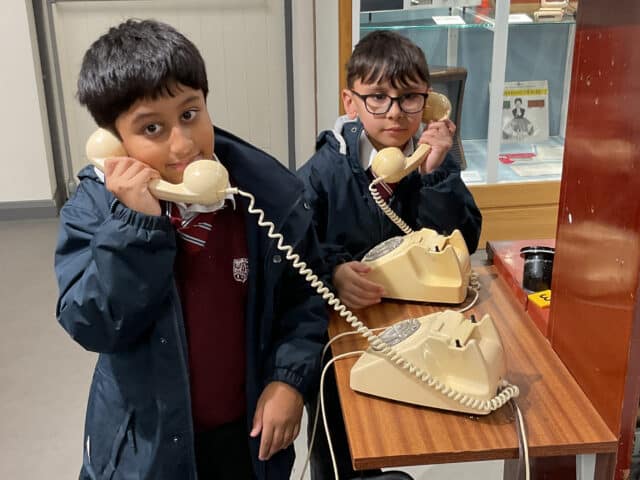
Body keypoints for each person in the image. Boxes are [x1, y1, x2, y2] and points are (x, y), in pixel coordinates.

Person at [54, 19, 328, 480]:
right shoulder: (94, 210)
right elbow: (93, 323)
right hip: (147, 442)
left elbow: (303, 302)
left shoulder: (266, 198)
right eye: (152, 128)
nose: (183, 145)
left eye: (189, 115)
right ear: (114, 143)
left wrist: (289, 380)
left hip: (245, 435)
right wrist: (135, 226)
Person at [296, 30, 482, 479]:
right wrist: (334, 272)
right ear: (351, 102)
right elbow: (293, 253)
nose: (395, 112)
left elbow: (464, 242)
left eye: (409, 98)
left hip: (413, 327)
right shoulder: (323, 173)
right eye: (377, 97)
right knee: (342, 449)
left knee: (402, 433)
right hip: (341, 339)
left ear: (429, 102)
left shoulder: (433, 160)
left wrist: (437, 175)